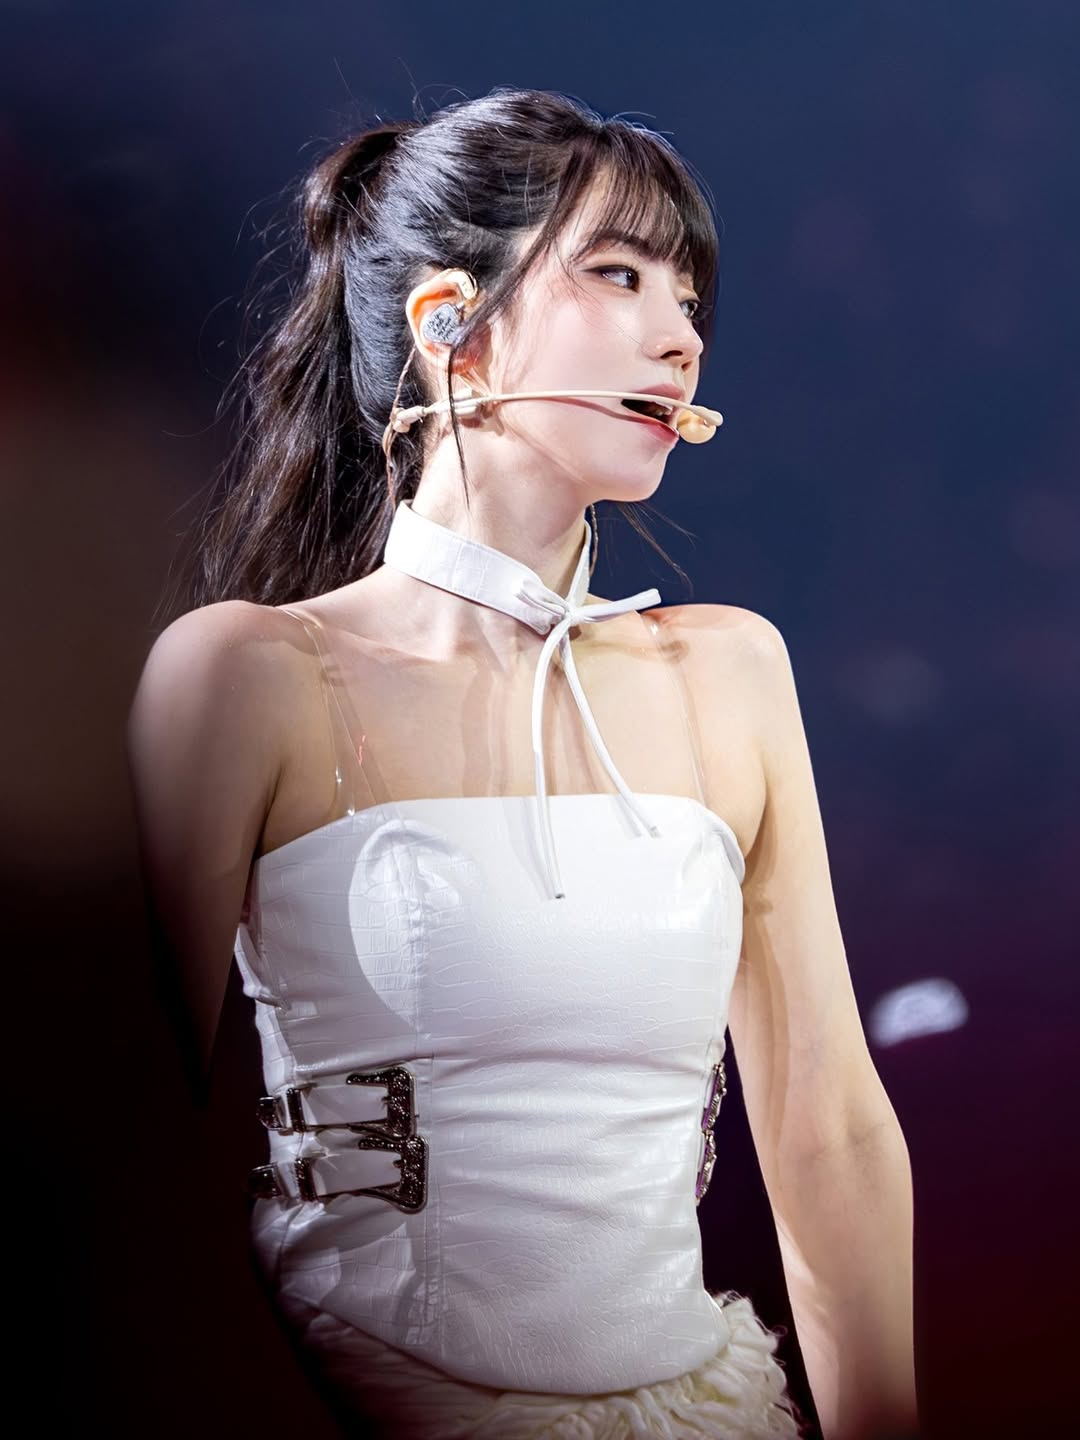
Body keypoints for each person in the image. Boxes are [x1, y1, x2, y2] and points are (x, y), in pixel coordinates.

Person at [126, 87, 918, 1440]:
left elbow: (828, 1125)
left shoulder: (729, 672)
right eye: (617, 274)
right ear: (453, 322)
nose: (681, 336)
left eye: (689, 298)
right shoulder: (247, 677)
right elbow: (126, 1167)